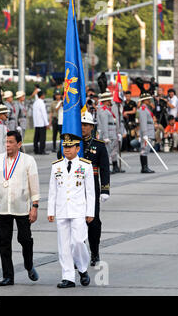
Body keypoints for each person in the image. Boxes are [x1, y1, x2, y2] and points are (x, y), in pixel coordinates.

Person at [0, 130, 40, 286]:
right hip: (3, 207)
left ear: (19, 144)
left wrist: (34, 206)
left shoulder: (28, 160)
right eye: (6, 142)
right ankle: (8, 276)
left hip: (22, 207)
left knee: (25, 239)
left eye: (11, 142)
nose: (7, 145)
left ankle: (29, 265)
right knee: (4, 242)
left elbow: (34, 186)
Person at [47, 133, 95, 288]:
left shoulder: (85, 165)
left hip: (78, 210)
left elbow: (90, 192)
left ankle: (82, 268)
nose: (66, 150)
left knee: (78, 241)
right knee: (64, 245)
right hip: (62, 210)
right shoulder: (56, 166)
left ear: (77, 148)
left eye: (70, 147)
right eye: (65, 146)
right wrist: (50, 210)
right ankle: (68, 277)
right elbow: (52, 190)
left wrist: (90, 212)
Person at [81, 112, 110, 266]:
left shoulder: (98, 145)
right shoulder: (73, 143)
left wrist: (105, 190)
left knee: (93, 223)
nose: (83, 128)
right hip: (76, 190)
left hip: (92, 189)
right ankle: (79, 254)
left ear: (91, 127)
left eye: (86, 125)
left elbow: (104, 169)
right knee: (77, 223)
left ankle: (95, 251)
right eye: (81, 124)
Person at [138, 92, 156, 173]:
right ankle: (144, 167)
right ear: (144, 100)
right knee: (144, 149)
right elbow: (143, 122)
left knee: (146, 149)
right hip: (146, 133)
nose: (149, 100)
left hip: (149, 132)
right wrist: (145, 134)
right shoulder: (142, 109)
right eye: (148, 99)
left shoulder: (146, 108)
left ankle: (145, 166)